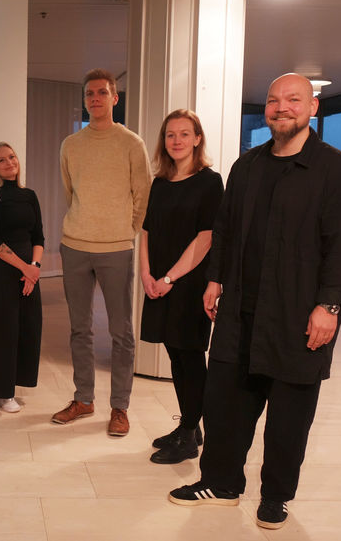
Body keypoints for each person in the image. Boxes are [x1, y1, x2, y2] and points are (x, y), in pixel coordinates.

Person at [168, 74, 341, 530]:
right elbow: (226, 229)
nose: (281, 107)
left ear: (312, 107)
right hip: (240, 309)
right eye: (274, 100)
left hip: (299, 312)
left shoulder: (335, 170)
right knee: (225, 403)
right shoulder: (248, 166)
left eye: (293, 99)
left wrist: (330, 306)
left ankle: (275, 496)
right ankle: (220, 483)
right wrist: (214, 279)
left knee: (289, 415)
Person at [51, 68, 152, 437]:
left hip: (116, 248)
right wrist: (85, 223)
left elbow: (143, 195)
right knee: (80, 328)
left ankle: (119, 407)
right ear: (85, 100)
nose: (95, 99)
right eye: (89, 94)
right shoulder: (70, 145)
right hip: (75, 245)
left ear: (114, 98)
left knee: (121, 331)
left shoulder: (131, 143)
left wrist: (124, 230)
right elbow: (70, 192)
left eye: (102, 93)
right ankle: (84, 399)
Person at [140, 109, 223, 464]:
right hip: (159, 280)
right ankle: (190, 425)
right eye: (170, 134)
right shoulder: (159, 182)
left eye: (184, 134)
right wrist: (146, 274)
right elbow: (146, 230)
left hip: (188, 283)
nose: (176, 141)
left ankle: (189, 435)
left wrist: (169, 278)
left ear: (197, 139)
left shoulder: (210, 182)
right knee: (174, 353)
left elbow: (206, 237)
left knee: (189, 356)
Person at [0, 142, 44, 413]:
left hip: (28, 275)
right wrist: (26, 268)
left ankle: (6, 391)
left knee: (23, 330)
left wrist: (33, 268)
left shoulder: (29, 196)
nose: (9, 163)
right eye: (1, 160)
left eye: (12, 157)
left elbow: (38, 237)